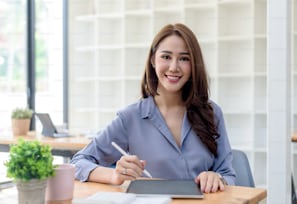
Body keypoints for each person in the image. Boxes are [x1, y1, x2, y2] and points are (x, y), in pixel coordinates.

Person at [70, 23, 236, 193]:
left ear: (194, 65)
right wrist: (114, 175)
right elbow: (78, 162)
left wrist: (218, 178)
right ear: (153, 60)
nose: (173, 67)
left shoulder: (212, 113)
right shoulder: (131, 118)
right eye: (166, 57)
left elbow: (228, 174)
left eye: (184, 58)